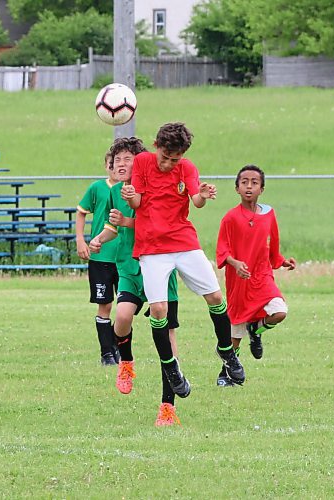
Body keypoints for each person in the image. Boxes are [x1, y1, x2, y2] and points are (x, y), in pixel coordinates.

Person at [121, 122, 245, 395]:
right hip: (152, 248)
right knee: (158, 310)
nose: (168, 164)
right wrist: (130, 195)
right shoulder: (142, 162)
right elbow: (137, 204)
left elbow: (196, 201)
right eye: (165, 157)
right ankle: (171, 367)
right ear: (156, 147)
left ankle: (227, 352)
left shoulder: (186, 167)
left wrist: (202, 194)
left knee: (215, 297)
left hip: (184, 242)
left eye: (174, 159)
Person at [90, 137, 181, 426]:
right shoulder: (115, 192)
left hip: (160, 266)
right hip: (130, 267)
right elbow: (112, 227)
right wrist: (99, 239)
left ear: (141, 164)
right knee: (122, 315)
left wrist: (127, 222)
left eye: (127, 159)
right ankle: (126, 362)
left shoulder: (155, 188)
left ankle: (168, 406)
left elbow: (160, 224)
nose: (121, 164)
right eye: (117, 160)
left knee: (167, 338)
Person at [216, 164, 296, 386]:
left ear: (262, 188)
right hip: (239, 281)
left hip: (262, 277)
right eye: (244, 182)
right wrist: (235, 263)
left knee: (279, 312)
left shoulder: (269, 214)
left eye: (254, 182)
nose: (249, 186)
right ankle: (227, 373)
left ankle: (256, 329)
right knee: (236, 332)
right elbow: (222, 250)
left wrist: (282, 261)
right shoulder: (230, 218)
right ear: (237, 188)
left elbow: (274, 247)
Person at [76, 151, 120, 366]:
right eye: (111, 163)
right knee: (106, 306)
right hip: (101, 256)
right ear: (106, 166)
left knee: (127, 307)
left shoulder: (131, 191)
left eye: (119, 162)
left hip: (125, 257)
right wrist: (80, 240)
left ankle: (116, 346)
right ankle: (107, 353)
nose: (115, 167)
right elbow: (82, 212)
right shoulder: (97, 188)